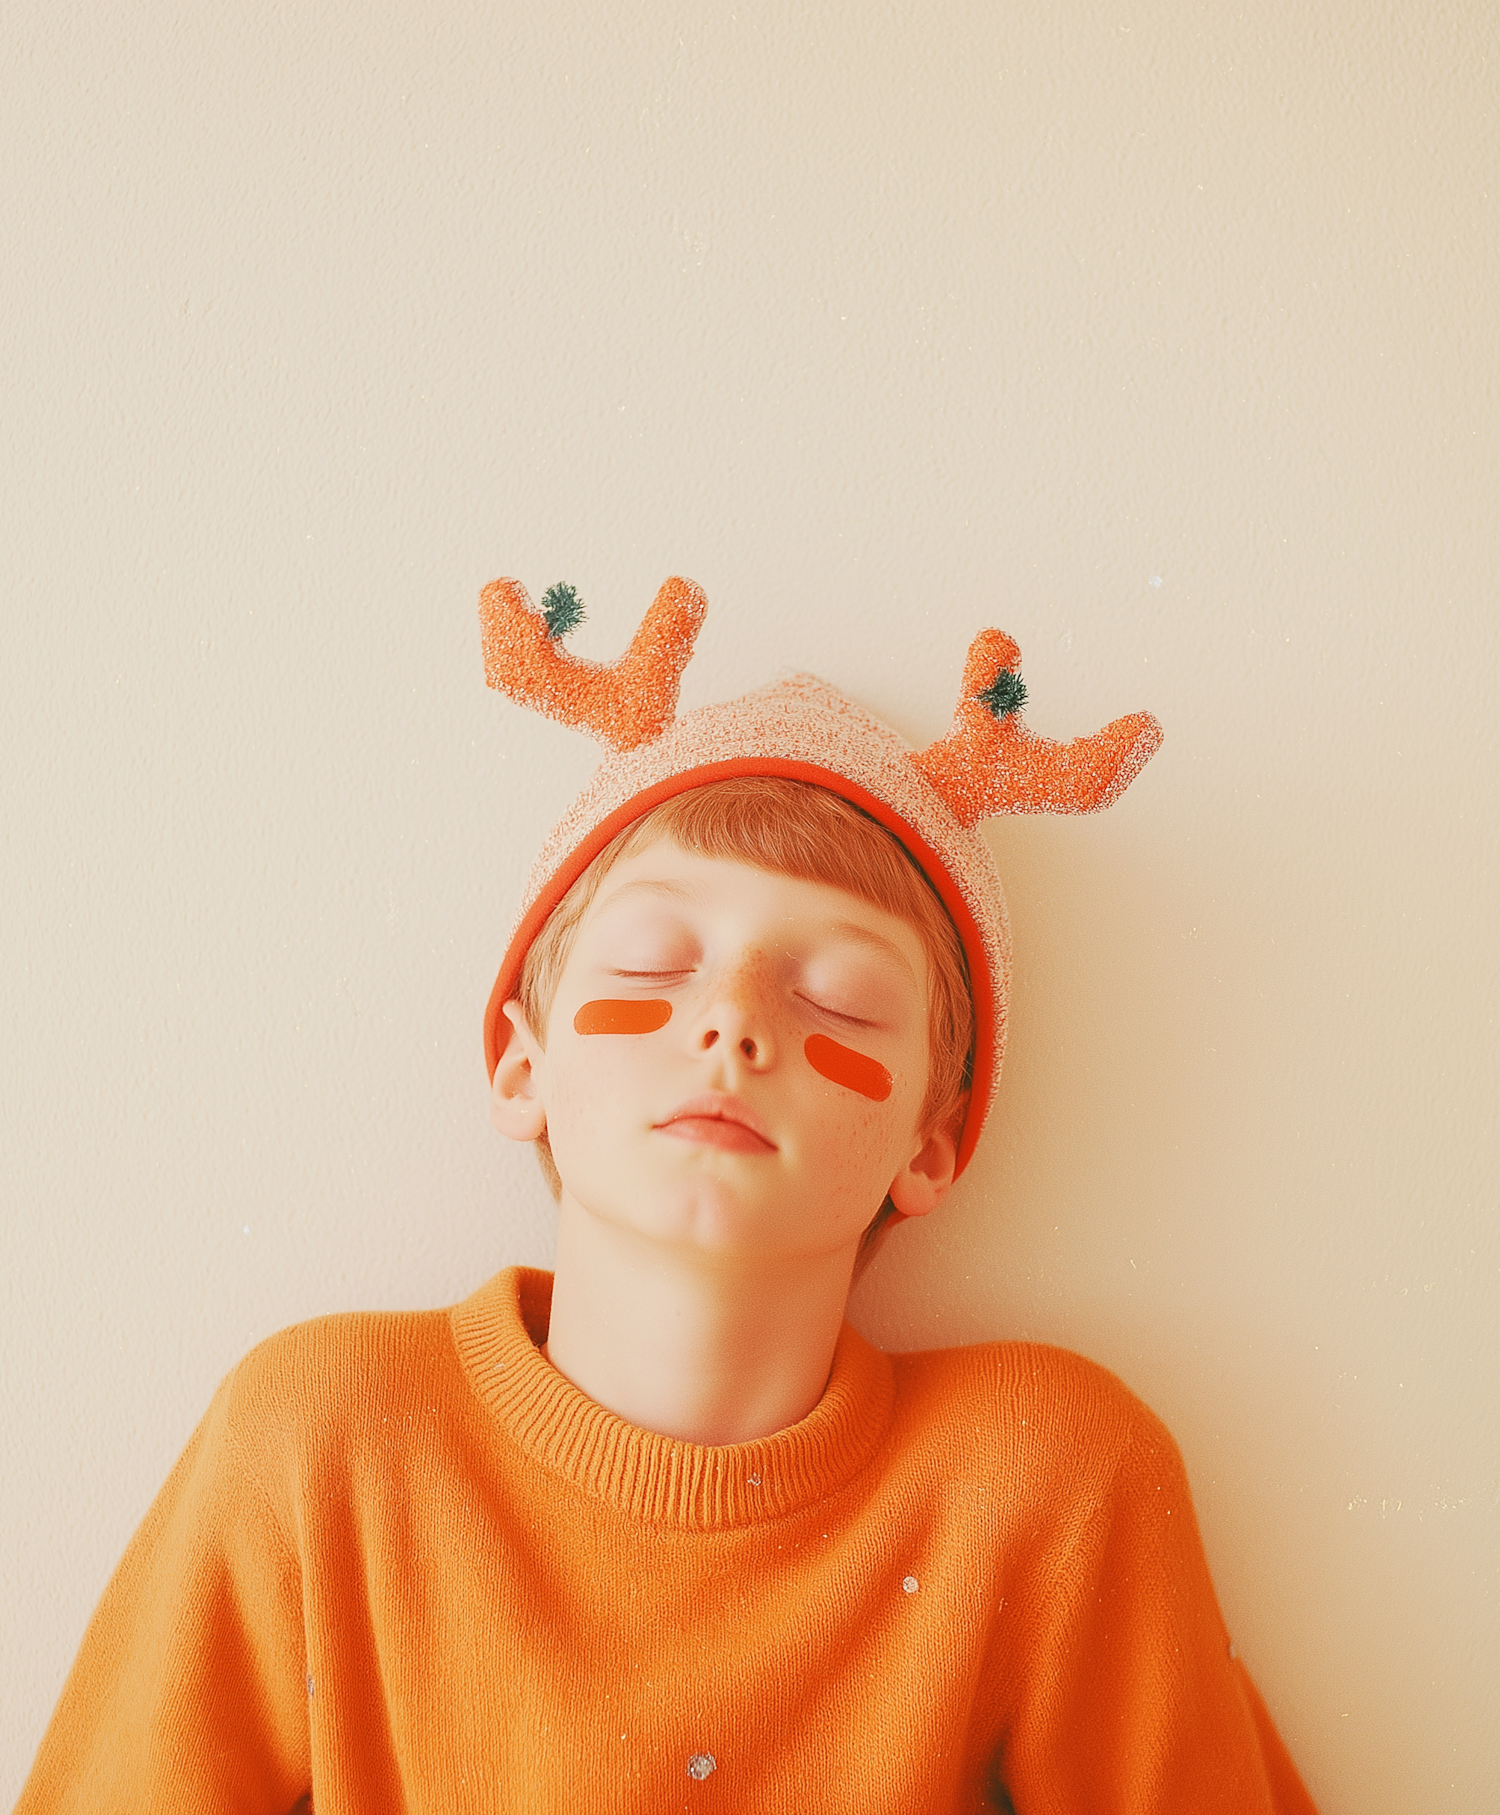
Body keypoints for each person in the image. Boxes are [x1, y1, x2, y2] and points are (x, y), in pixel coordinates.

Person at [17, 578, 1317, 1813]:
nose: (732, 1026)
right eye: (655, 959)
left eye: (841, 996)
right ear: (524, 1066)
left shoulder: (1046, 1476)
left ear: (931, 1142)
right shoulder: (320, 1438)